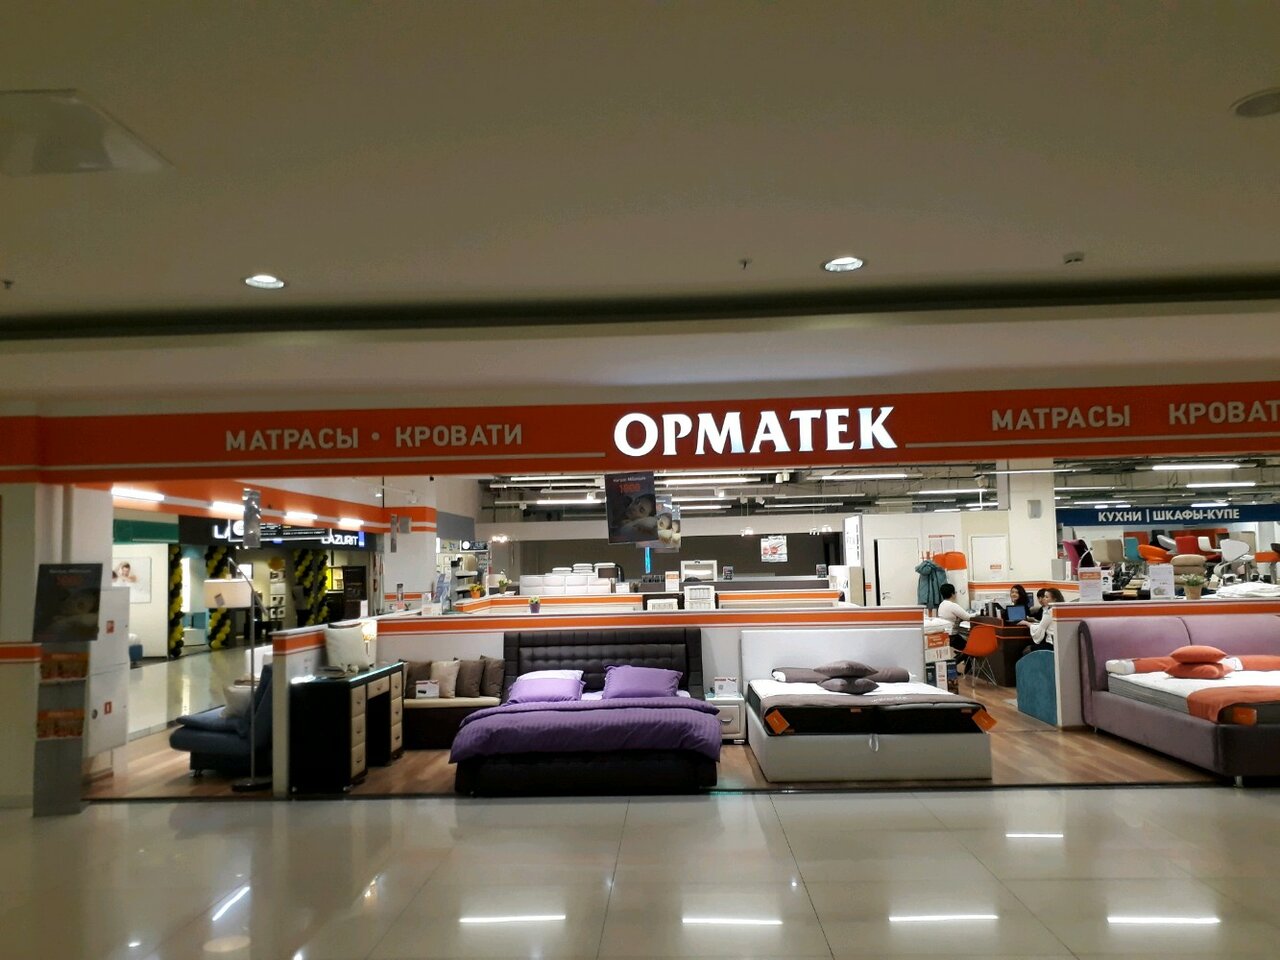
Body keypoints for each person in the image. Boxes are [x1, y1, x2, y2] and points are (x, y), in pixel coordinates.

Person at [937, 583, 975, 670]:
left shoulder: (942, 605)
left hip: (944, 635)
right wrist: (979, 614)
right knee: (970, 649)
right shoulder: (953, 605)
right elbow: (968, 617)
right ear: (953, 593)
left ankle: (963, 668)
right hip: (952, 636)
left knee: (967, 647)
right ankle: (950, 666)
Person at [1021, 587, 1064, 658]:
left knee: (1027, 650)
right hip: (1060, 644)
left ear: (1054, 599)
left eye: (1046, 597)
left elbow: (1040, 629)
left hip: (1051, 644)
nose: (1044, 599)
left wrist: (1026, 623)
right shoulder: (1061, 609)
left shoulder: (1049, 612)